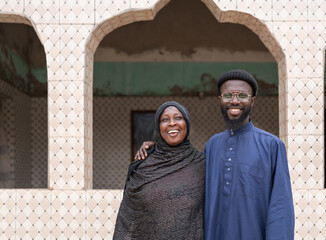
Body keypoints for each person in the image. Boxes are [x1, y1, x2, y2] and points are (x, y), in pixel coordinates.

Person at [135, 69, 295, 240]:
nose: (235, 101)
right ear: (220, 100)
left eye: (242, 96)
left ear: (252, 101)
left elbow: (281, 208)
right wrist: (157, 149)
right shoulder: (212, 145)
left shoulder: (271, 146)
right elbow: (185, 174)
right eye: (228, 95)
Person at [113, 101, 205, 240]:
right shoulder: (144, 166)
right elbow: (129, 219)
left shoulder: (202, 164)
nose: (172, 123)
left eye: (178, 118)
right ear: (158, 126)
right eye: (165, 120)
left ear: (187, 123)